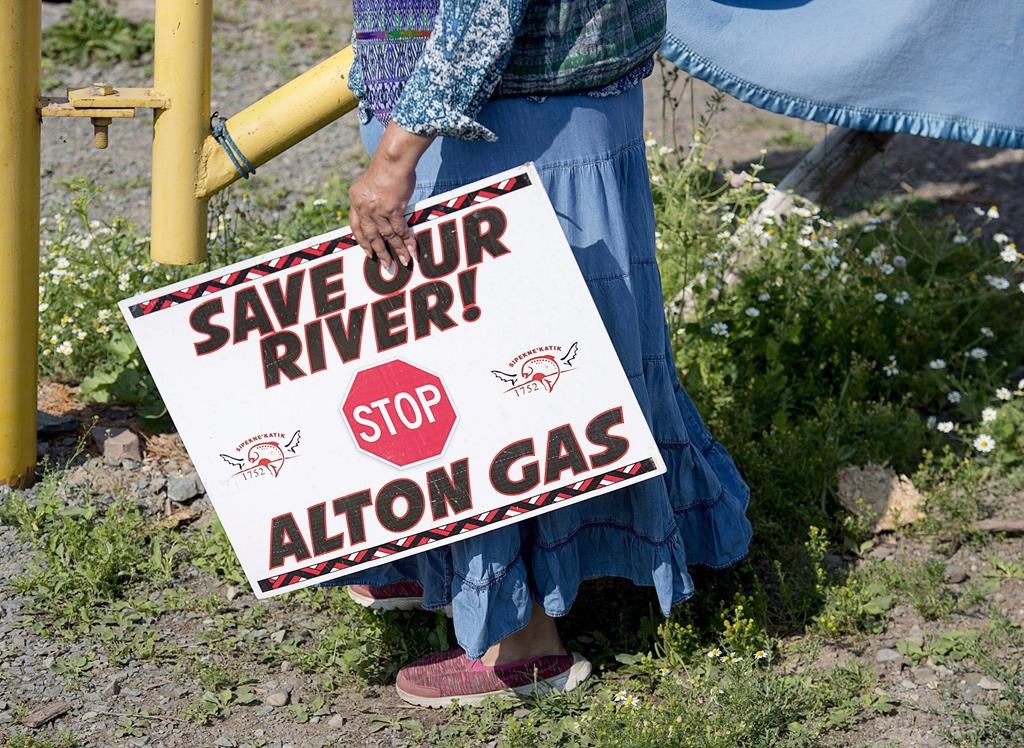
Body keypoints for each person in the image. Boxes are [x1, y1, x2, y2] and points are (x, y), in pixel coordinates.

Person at [328, 0, 753, 707]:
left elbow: (483, 12)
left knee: (505, 382)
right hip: (502, 105)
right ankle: (441, 562)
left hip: (509, 116)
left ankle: (522, 643)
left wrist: (396, 154)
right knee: (477, 363)